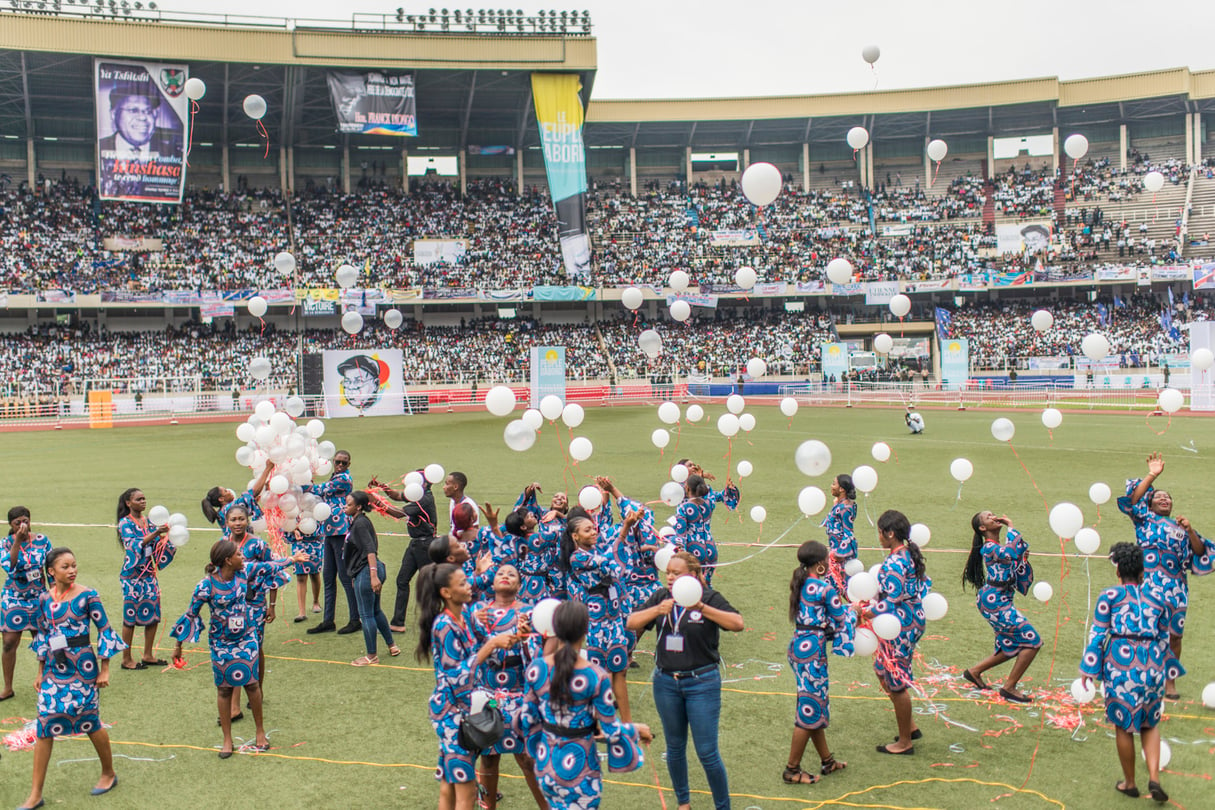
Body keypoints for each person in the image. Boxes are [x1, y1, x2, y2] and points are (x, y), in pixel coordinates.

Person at [171, 539, 308, 758]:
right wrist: (178, 647)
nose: (242, 557)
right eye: (237, 554)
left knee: (252, 685)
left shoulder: (244, 572)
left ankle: (260, 732)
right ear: (227, 560)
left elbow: (270, 566)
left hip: (246, 638)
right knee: (224, 689)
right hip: (220, 643)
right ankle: (227, 739)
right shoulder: (205, 586)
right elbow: (191, 614)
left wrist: (292, 559)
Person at [627, 551, 742, 810]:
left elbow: (737, 623)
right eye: (667, 572)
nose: (669, 577)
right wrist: (657, 610)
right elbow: (631, 622)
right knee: (675, 747)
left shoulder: (709, 597)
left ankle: (723, 807)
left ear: (694, 575)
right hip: (666, 683)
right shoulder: (661, 597)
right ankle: (683, 803)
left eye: (676, 573)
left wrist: (701, 608)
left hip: (701, 683)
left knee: (707, 752)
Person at [20, 547, 124, 809]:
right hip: (55, 666)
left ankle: (109, 773)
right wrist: (40, 671)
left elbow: (105, 630)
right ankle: (35, 794)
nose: (72, 570)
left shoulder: (89, 595)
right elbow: (43, 634)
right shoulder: (45, 598)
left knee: (90, 721)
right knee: (45, 725)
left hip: (83, 666)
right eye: (65, 567)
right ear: (51, 572)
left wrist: (105, 668)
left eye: (74, 565)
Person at [522, 600, 652, 809]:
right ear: (585, 630)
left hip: (546, 763)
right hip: (581, 766)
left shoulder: (537, 669)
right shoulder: (596, 676)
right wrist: (636, 730)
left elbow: (527, 718)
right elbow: (610, 730)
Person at [414, 562, 517, 810]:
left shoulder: (466, 617)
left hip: (467, 710)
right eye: (462, 583)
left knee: (450, 784)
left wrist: (517, 634)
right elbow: (455, 674)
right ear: (446, 593)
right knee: (466, 792)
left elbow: (490, 643)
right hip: (453, 714)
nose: (469, 585)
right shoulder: (444, 626)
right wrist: (492, 645)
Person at [1079, 543, 1177, 803]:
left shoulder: (1110, 596)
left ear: (1118, 572)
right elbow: (1165, 638)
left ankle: (1130, 783)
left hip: (1122, 664)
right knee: (1150, 722)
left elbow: (1099, 634)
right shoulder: (1158, 598)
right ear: (1143, 572)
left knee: (1123, 725)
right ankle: (1154, 777)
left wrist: (1089, 668)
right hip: (1153, 662)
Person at [1117, 452, 1214, 698]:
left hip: (1177, 590)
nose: (1164, 499)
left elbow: (1201, 552)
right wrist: (1153, 474)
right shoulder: (1144, 519)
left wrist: (1191, 530)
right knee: (1143, 632)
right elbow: (1132, 500)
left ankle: (1169, 685)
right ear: (1149, 505)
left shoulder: (1180, 527)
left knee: (1174, 638)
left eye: (1167, 498)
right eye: (1159, 497)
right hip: (1148, 586)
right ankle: (1139, 678)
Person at [470, 564, 547, 810]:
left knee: (527, 758)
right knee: (489, 758)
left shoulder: (529, 613)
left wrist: (525, 638)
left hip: (519, 695)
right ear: (492, 584)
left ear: (519, 585)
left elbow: (537, 659)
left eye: (512, 574)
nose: (505, 576)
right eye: (501, 573)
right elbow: (468, 652)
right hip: (486, 694)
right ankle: (488, 806)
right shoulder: (478, 612)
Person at [783, 540, 855, 787]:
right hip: (812, 652)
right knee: (810, 707)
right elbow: (841, 618)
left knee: (813, 704)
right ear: (820, 563)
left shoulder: (802, 584)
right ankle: (792, 769)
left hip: (800, 648)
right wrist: (860, 611)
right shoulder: (824, 589)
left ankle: (827, 761)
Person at [560, 508, 640, 721]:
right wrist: (624, 530)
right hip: (598, 616)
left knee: (620, 669)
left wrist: (625, 527)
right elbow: (611, 565)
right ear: (575, 536)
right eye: (587, 530)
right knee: (600, 672)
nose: (593, 532)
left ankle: (627, 722)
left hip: (614, 613)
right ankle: (595, 723)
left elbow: (613, 554)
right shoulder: (578, 558)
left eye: (593, 528)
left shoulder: (597, 549)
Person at [865, 510, 930, 755]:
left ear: (889, 533)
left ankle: (905, 743)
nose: (879, 537)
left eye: (880, 532)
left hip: (900, 624)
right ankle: (910, 727)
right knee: (882, 670)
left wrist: (865, 612)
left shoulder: (894, 562)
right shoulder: (908, 555)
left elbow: (891, 601)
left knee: (895, 680)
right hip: (910, 618)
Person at [960, 511, 1041, 702]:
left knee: (1010, 644)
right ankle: (1009, 687)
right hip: (994, 601)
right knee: (1032, 641)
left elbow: (1012, 561)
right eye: (989, 517)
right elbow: (1011, 553)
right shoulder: (989, 548)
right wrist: (1011, 526)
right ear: (983, 528)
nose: (995, 517)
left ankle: (974, 672)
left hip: (998, 599)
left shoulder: (997, 547)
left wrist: (1022, 558)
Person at [369, 472, 438, 632]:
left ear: (424, 483)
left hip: (425, 545)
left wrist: (376, 502)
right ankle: (398, 622)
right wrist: (382, 487)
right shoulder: (417, 494)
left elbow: (399, 513)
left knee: (427, 585)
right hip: (415, 544)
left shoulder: (423, 499)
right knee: (402, 580)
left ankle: (435, 621)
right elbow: (398, 496)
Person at [115, 488, 175, 670]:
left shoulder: (148, 521)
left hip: (149, 574)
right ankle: (126, 658)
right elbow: (134, 544)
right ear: (128, 503)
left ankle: (148, 654)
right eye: (138, 499)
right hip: (132, 576)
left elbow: (155, 545)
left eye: (144, 499)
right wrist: (157, 533)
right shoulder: (124, 523)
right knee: (130, 618)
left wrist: (167, 539)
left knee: (153, 614)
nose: (143, 502)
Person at [305, 450, 360, 635]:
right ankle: (328, 620)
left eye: (344, 463)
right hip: (329, 531)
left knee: (345, 577)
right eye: (338, 461)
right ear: (333, 461)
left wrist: (302, 483)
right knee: (328, 577)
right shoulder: (335, 476)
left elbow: (319, 490)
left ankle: (355, 619)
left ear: (349, 464)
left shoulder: (343, 479)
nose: (340, 465)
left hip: (340, 531)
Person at [2, 506, 52, 702]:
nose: (22, 525)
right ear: (11, 525)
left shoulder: (42, 541)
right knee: (8, 644)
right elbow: (10, 566)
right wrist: (17, 541)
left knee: (44, 642)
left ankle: (48, 682)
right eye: (17, 523)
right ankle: (7, 688)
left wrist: (55, 593)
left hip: (39, 597)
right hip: (13, 598)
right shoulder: (5, 543)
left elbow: (51, 567)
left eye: (25, 521)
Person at [344, 491, 399, 666]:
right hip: (369, 571)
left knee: (366, 614)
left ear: (358, 507)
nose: (345, 507)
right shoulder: (361, 521)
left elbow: (370, 550)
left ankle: (371, 655)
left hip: (368, 572)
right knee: (376, 610)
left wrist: (373, 576)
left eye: (349, 504)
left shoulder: (359, 524)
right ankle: (392, 645)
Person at [673, 473, 739, 586]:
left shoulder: (683, 508)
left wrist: (677, 554)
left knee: (689, 587)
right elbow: (723, 497)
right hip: (710, 549)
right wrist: (730, 489)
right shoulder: (709, 503)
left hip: (693, 550)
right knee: (706, 586)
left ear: (687, 488)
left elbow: (680, 534)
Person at [200, 464, 272, 537]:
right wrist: (268, 468)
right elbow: (254, 492)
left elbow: (247, 506)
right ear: (221, 499)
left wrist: (263, 490)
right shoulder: (230, 508)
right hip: (239, 544)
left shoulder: (221, 513)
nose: (229, 491)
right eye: (225, 491)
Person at [821, 474, 858, 592]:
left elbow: (848, 533)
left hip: (840, 556)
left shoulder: (845, 508)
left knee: (840, 589)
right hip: (835, 554)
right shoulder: (841, 505)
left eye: (834, 484)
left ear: (841, 489)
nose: (831, 486)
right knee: (836, 589)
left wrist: (838, 554)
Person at [289, 524, 323, 622]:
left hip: (315, 542)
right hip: (299, 543)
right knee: (300, 577)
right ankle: (302, 612)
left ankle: (316, 602)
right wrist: (293, 529)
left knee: (315, 574)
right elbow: (287, 520)